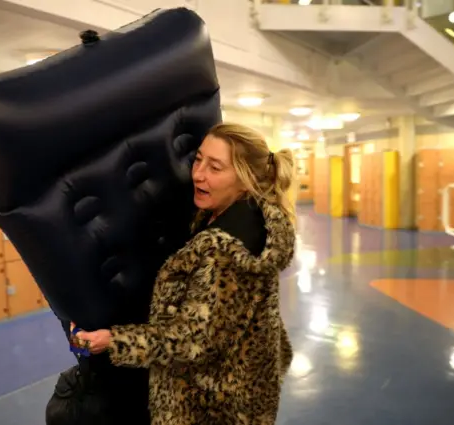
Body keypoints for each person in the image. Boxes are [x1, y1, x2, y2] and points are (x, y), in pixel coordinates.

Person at [76, 122, 297, 424]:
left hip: (210, 409)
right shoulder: (252, 215)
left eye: (215, 167)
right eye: (198, 159)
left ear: (246, 180)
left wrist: (113, 341)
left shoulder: (225, 250)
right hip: (242, 389)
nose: (198, 173)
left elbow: (192, 341)